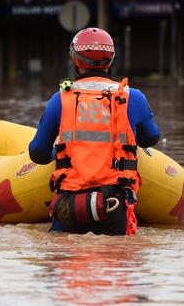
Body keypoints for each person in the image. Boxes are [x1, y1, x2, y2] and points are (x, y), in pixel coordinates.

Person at [29, 27, 160, 236]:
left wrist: (57, 153)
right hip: (115, 205)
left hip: (69, 206)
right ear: (111, 59)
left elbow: (37, 153)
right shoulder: (132, 97)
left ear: (74, 59)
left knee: (62, 255)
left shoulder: (61, 98)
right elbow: (151, 138)